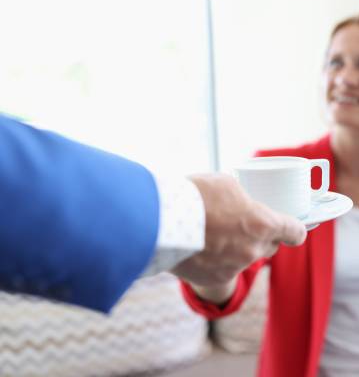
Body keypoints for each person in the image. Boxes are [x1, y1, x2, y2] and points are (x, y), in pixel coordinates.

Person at [180, 13, 359, 377]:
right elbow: (230, 289)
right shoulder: (279, 171)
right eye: (335, 62)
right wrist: (209, 265)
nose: (345, 78)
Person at [0, 115, 306, 313]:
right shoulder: (273, 164)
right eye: (334, 63)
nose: (344, 77)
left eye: (358, 64)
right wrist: (189, 219)